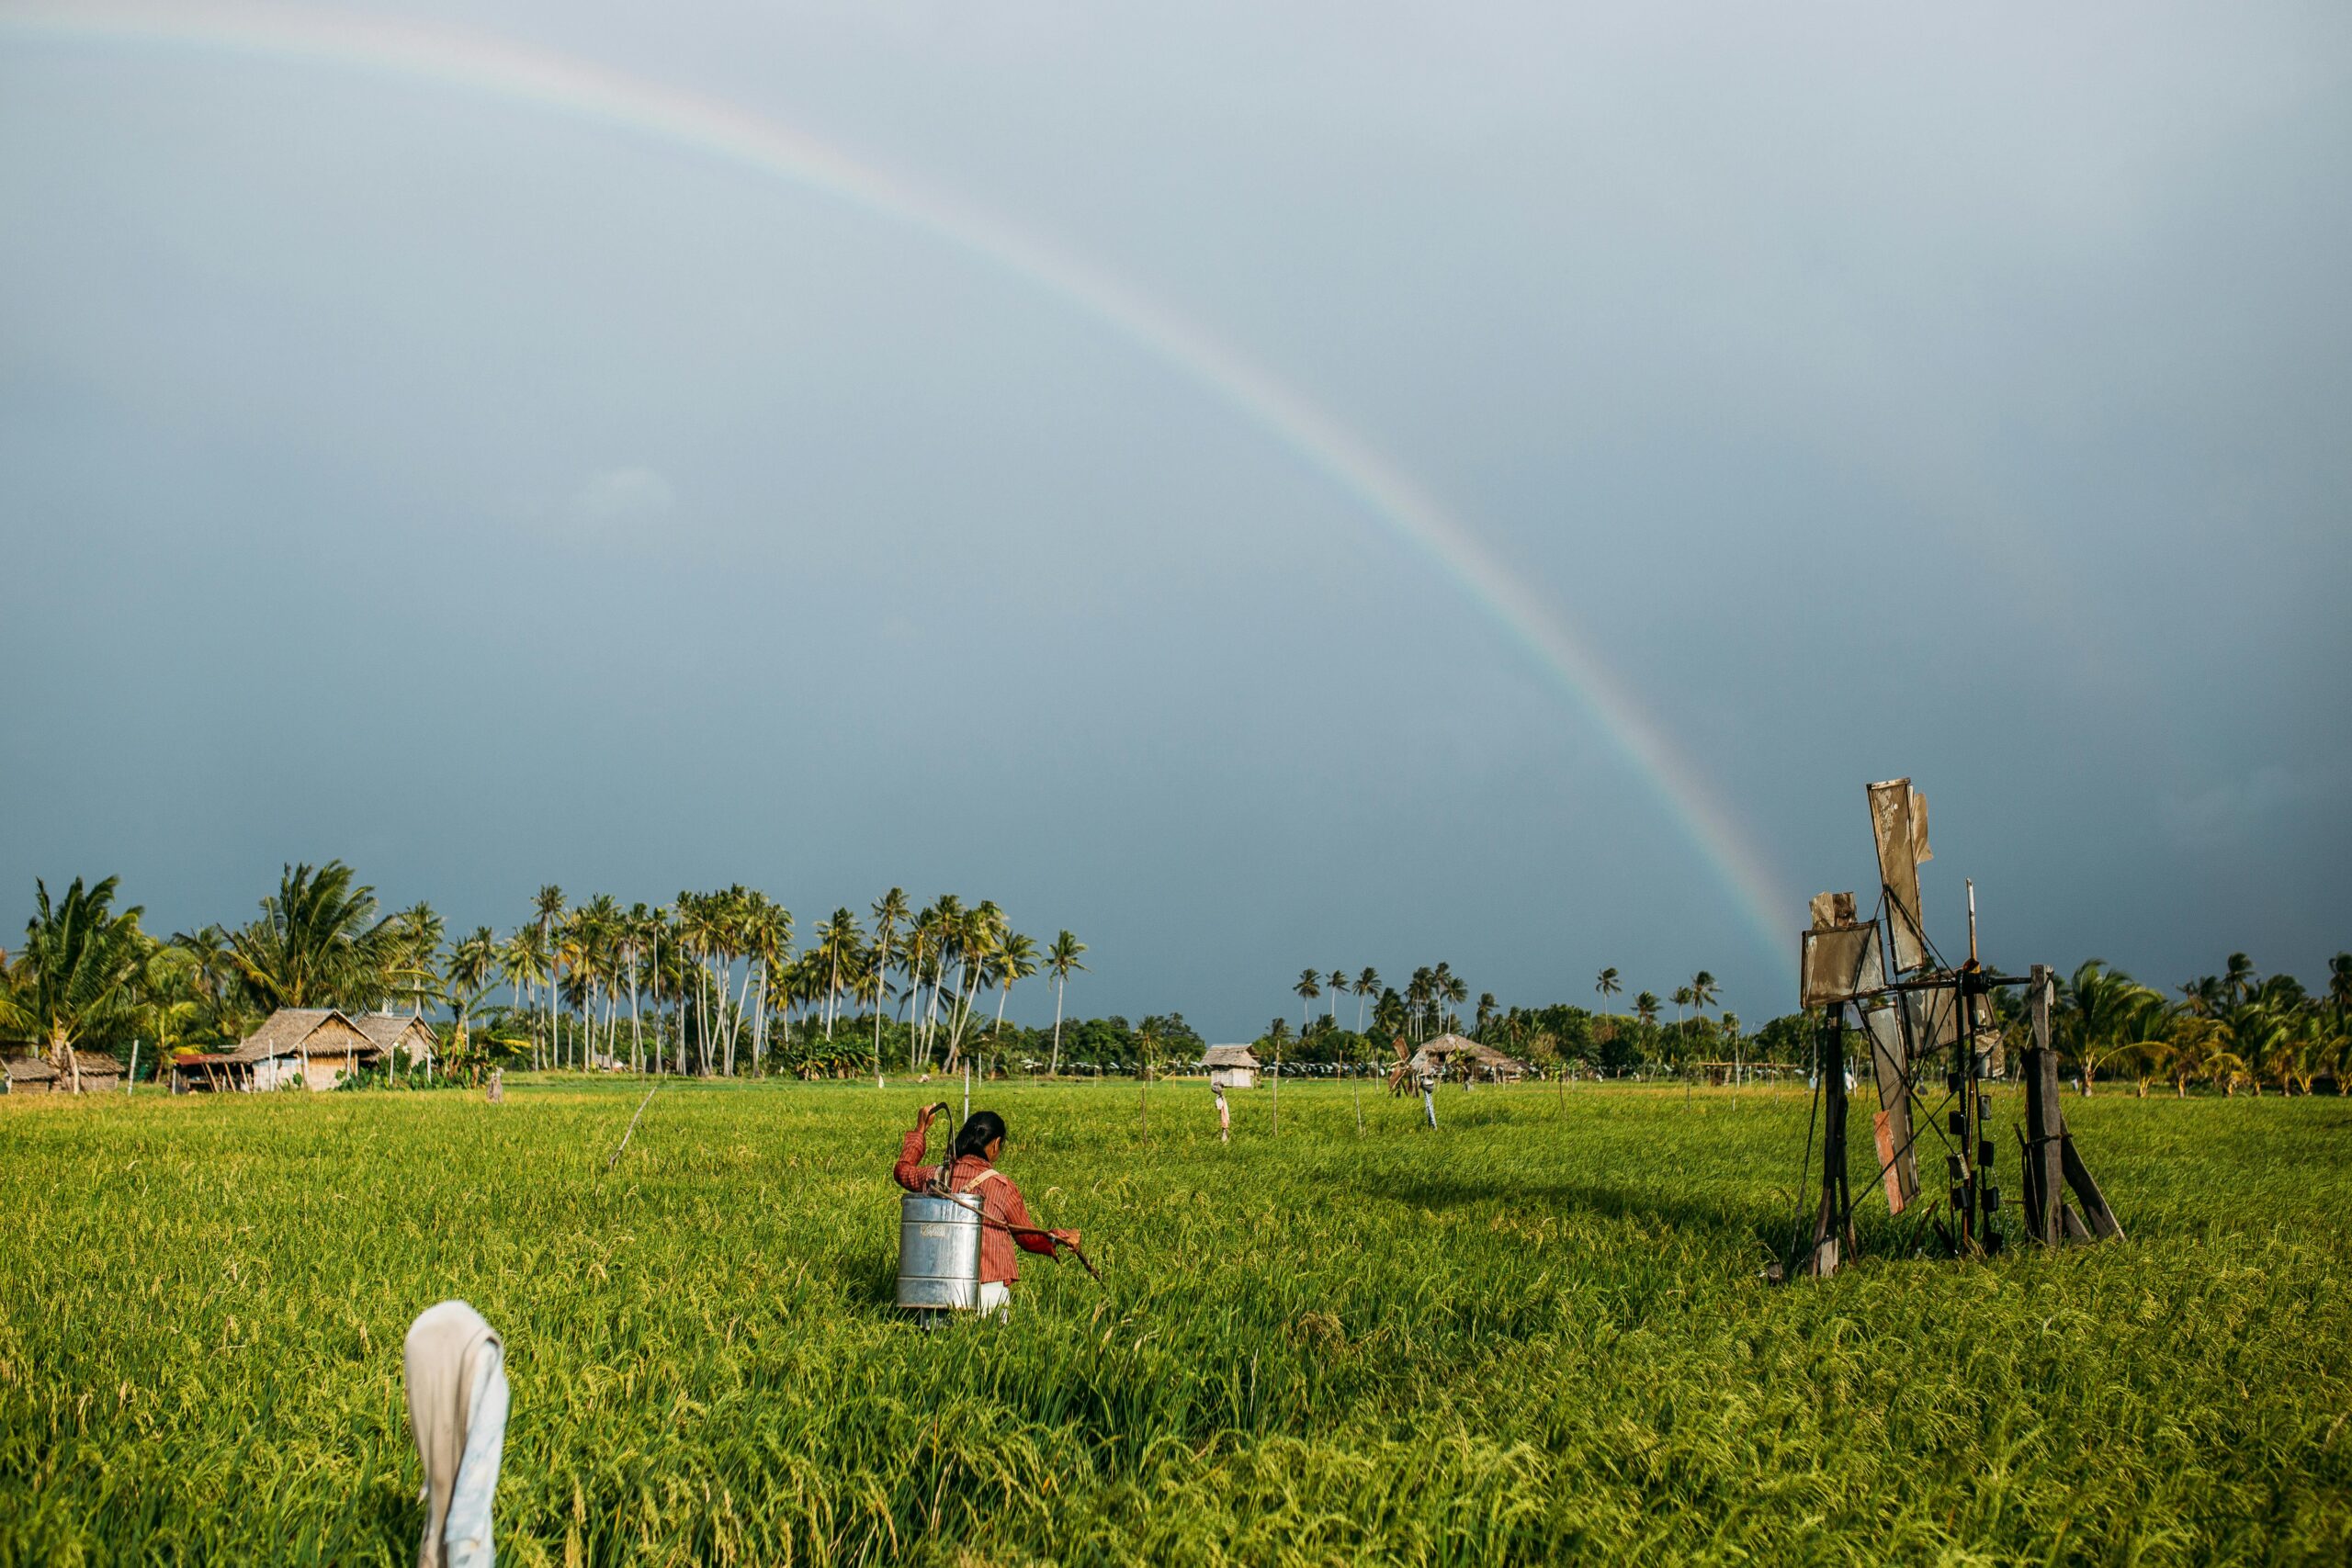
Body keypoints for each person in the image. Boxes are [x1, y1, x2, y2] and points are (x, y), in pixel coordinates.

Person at [893, 1105, 1077, 1317]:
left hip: (934, 1291)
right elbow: (1027, 1238)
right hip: (988, 1291)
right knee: (989, 1347)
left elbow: (902, 1170)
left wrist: (920, 1129)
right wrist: (1061, 1237)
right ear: (996, 1144)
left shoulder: (934, 1176)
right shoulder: (1002, 1186)